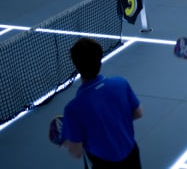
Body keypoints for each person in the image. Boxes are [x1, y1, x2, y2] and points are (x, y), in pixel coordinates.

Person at [61, 38, 143, 168]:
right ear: (99, 60)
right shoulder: (120, 83)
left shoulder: (73, 109)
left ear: (76, 66)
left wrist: (68, 142)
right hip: (132, 156)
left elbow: (76, 152)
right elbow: (138, 113)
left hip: (104, 164)